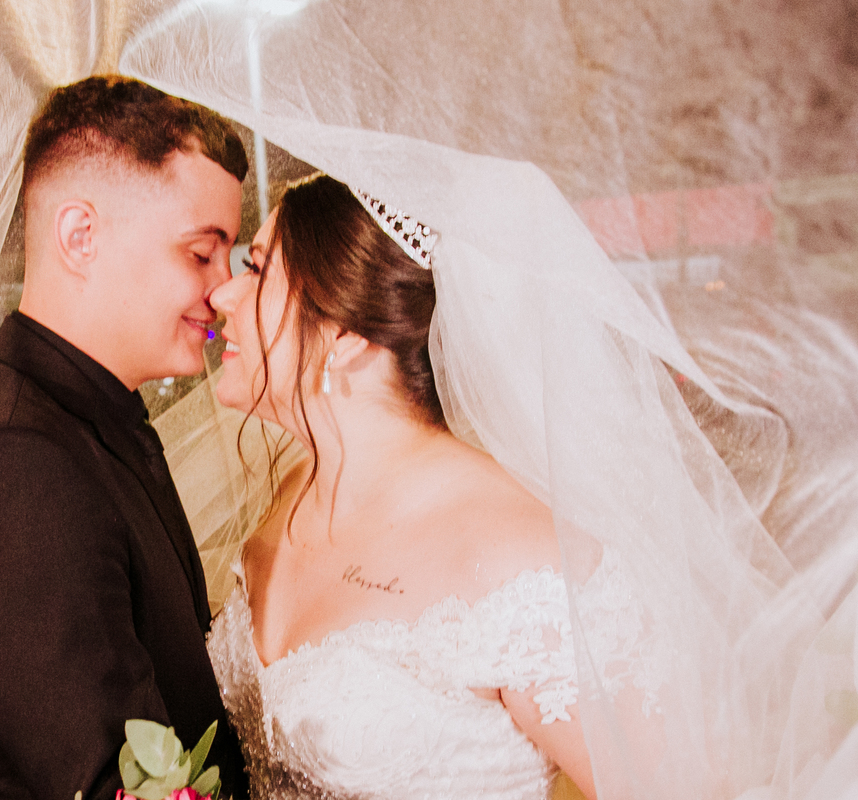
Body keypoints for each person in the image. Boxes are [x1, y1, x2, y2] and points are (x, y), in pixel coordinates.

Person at [0, 76, 250, 800]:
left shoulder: (79, 420)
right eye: (201, 253)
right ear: (80, 237)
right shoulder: (7, 465)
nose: (223, 289)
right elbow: (116, 780)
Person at [204, 173, 598, 799]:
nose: (223, 293)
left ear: (343, 335)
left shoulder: (523, 556)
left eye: (256, 269)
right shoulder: (287, 495)